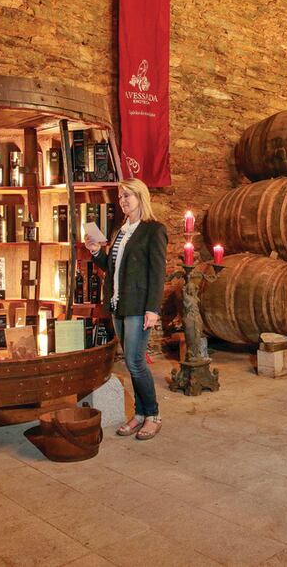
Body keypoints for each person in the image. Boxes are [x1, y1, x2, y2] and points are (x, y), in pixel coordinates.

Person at [85, 178, 168, 440]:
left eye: (127, 196)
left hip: (139, 306)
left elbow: (158, 273)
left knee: (135, 361)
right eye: (120, 196)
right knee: (133, 363)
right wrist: (97, 252)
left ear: (140, 197)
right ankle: (140, 414)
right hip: (118, 304)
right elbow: (114, 269)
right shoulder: (121, 231)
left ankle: (153, 415)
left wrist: (153, 309)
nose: (122, 201)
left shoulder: (154, 230)